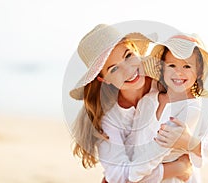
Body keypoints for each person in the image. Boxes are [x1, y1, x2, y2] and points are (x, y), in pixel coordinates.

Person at [69, 24, 193, 183]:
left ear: (135, 50)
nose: (128, 70)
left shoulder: (169, 85)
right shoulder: (109, 118)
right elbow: (118, 178)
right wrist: (177, 168)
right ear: (104, 79)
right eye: (114, 69)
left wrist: (190, 143)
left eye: (128, 56)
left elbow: (201, 131)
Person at [128, 34, 208, 183]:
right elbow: (133, 139)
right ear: (162, 68)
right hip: (143, 172)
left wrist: (132, 175)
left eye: (187, 66)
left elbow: (158, 149)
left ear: (198, 72)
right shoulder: (148, 100)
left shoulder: (192, 108)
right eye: (172, 65)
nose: (178, 72)